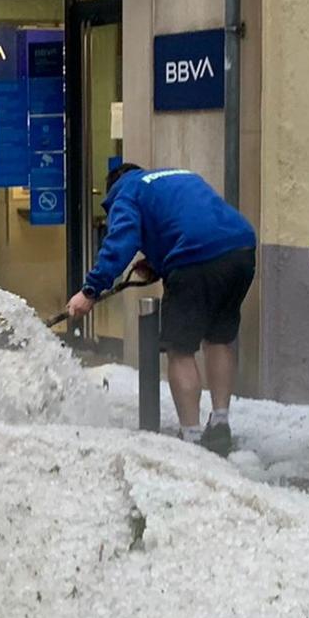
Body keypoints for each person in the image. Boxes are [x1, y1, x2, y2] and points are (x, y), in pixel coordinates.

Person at [66, 164, 258, 455]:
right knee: (219, 338)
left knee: (180, 350)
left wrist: (90, 290)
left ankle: (191, 438)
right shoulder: (180, 177)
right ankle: (220, 422)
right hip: (240, 249)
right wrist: (157, 262)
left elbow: (121, 241)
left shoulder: (127, 191)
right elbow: (188, 220)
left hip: (195, 258)